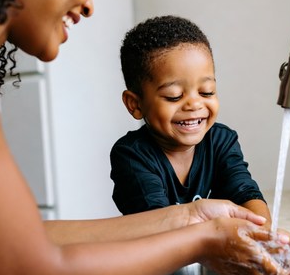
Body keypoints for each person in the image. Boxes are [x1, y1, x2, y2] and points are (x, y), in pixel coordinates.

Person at [0, 0, 290, 275]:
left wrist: (192, 219)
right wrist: (202, 239)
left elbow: (23, 242)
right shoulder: (133, 154)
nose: (89, 4)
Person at [111, 15, 271, 227]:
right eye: (174, 96)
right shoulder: (132, 155)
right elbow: (157, 226)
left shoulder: (221, 141)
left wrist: (263, 231)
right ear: (135, 104)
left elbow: (245, 192)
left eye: (206, 92)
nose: (194, 105)